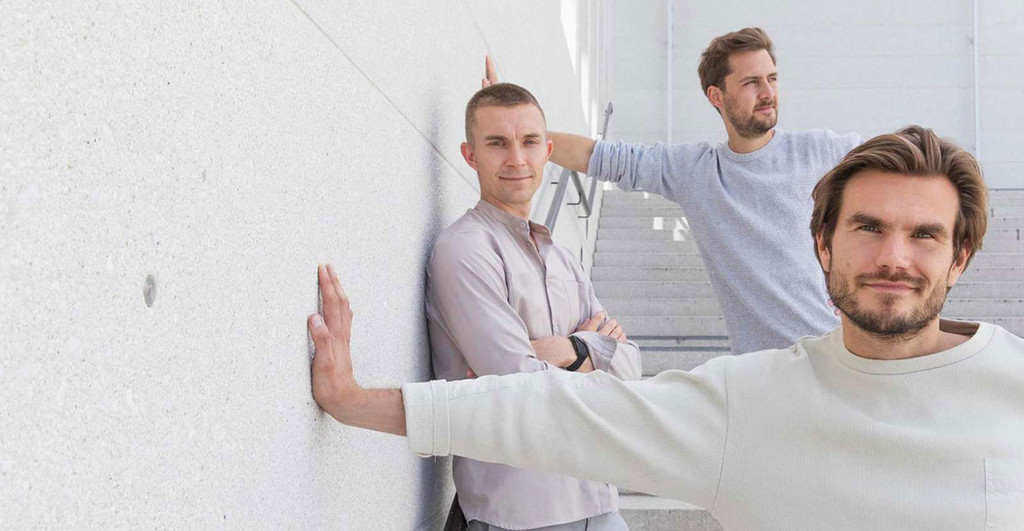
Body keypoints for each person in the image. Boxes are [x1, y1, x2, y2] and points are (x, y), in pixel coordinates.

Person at [307, 126, 1024, 530]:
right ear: (823, 246)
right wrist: (354, 400)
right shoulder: (751, 402)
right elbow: (557, 412)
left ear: (959, 257)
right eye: (869, 227)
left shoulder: (1013, 386)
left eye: (924, 235)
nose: (895, 258)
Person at [484, 28, 862, 354]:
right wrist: (519, 131)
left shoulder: (822, 151)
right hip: (763, 372)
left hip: (842, 350)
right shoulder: (696, 171)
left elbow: (894, 166)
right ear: (716, 96)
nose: (768, 92)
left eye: (772, 79)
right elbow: (600, 157)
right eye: (751, 82)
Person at [428, 83, 641, 530]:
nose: (516, 159)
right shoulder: (465, 251)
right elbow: (516, 387)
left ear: (547, 152)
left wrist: (565, 349)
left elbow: (630, 367)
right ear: (470, 155)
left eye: (528, 142)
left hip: (598, 500)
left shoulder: (563, 258)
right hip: (520, 513)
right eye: (497, 143)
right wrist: (591, 352)